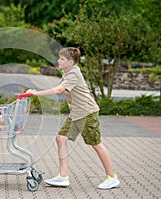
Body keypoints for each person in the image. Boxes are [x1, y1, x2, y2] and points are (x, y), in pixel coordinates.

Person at [26, 47, 120, 189]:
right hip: (77, 113)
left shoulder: (73, 74)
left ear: (70, 62)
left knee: (96, 144)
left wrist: (36, 93)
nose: (58, 60)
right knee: (61, 138)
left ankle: (112, 177)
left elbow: (58, 90)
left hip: (87, 114)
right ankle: (63, 177)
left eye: (62, 59)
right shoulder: (68, 72)